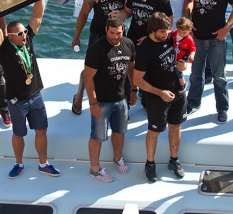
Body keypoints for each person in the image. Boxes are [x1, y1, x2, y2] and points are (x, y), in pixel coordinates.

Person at [0, 0, 60, 179]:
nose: (24, 35)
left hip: (35, 95)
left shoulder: (28, 39)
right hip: (17, 100)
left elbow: (37, 16)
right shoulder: (3, 48)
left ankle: (43, 164)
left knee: (41, 131)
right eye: (19, 34)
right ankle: (18, 164)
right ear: (10, 37)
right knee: (19, 134)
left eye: (24, 32)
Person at [183, 0, 233, 124]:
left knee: (219, 76)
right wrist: (188, 21)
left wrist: (226, 28)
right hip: (197, 37)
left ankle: (222, 109)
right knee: (195, 74)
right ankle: (193, 103)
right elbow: (188, 0)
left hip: (217, 39)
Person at [70, 0, 133, 115]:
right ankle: (79, 97)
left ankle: (122, 107)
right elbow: (84, 14)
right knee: (90, 70)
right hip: (98, 34)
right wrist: (76, 37)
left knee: (121, 67)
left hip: (118, 35)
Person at [133, 12, 188, 183]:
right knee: (154, 131)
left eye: (167, 30)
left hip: (177, 91)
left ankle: (174, 159)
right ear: (153, 30)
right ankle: (150, 163)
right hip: (157, 96)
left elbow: (185, 46)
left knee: (176, 126)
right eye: (162, 32)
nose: (166, 34)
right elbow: (137, 80)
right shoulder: (145, 49)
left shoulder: (171, 38)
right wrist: (160, 93)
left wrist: (183, 65)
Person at [84, 16, 136, 182]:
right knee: (98, 136)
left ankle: (118, 158)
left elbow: (132, 68)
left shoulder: (128, 44)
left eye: (118, 33)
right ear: (106, 30)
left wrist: (134, 90)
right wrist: (93, 102)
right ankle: (95, 169)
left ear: (123, 30)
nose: (115, 36)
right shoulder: (96, 49)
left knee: (120, 131)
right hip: (101, 101)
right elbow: (88, 77)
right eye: (112, 32)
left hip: (121, 98)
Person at [171, 17, 196, 92]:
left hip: (183, 57)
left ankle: (183, 84)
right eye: (179, 31)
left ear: (189, 31)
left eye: (184, 32)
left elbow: (193, 49)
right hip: (175, 55)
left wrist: (192, 55)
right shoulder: (174, 33)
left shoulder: (189, 39)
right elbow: (169, 32)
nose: (181, 34)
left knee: (178, 70)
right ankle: (175, 83)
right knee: (172, 70)